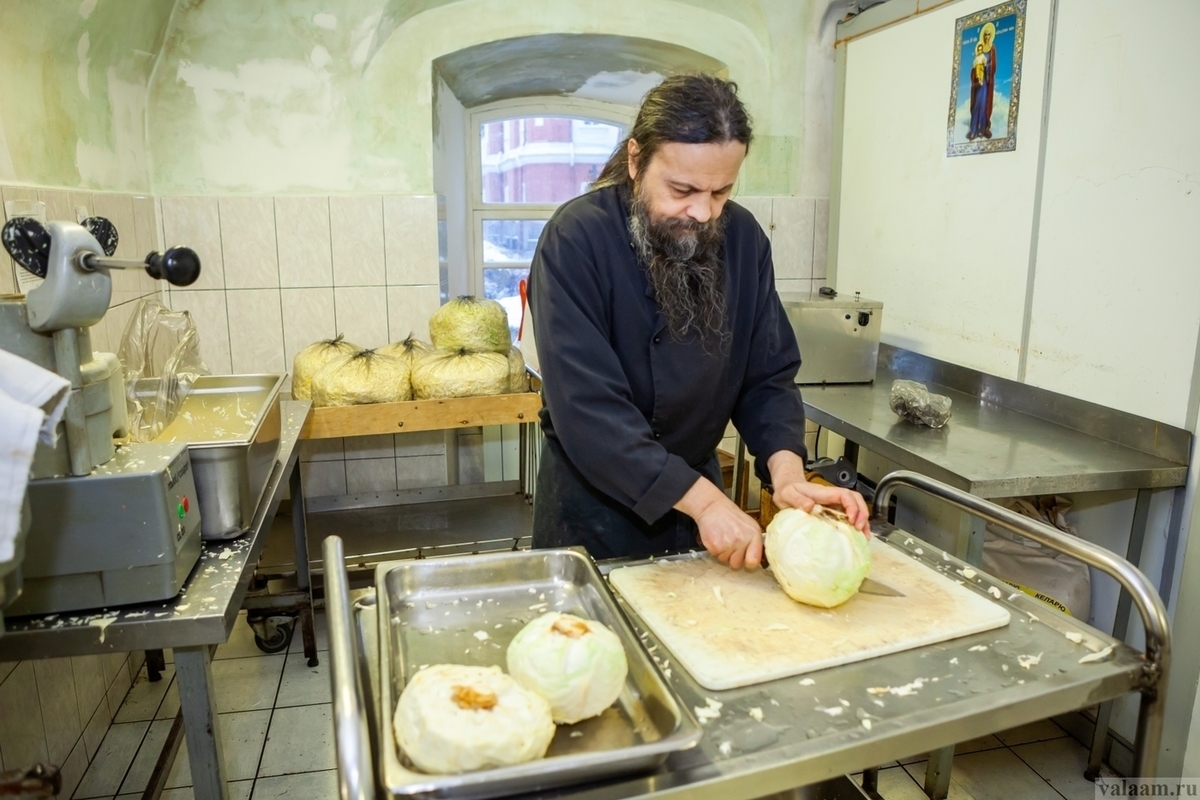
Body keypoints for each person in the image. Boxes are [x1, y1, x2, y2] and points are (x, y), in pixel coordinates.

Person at [527, 74, 869, 570]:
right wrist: (707, 503)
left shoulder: (745, 240)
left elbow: (766, 376)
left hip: (699, 509)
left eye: (721, 191)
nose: (703, 212)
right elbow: (588, 413)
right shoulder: (576, 239)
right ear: (635, 160)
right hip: (593, 512)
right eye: (682, 189)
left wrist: (789, 473)